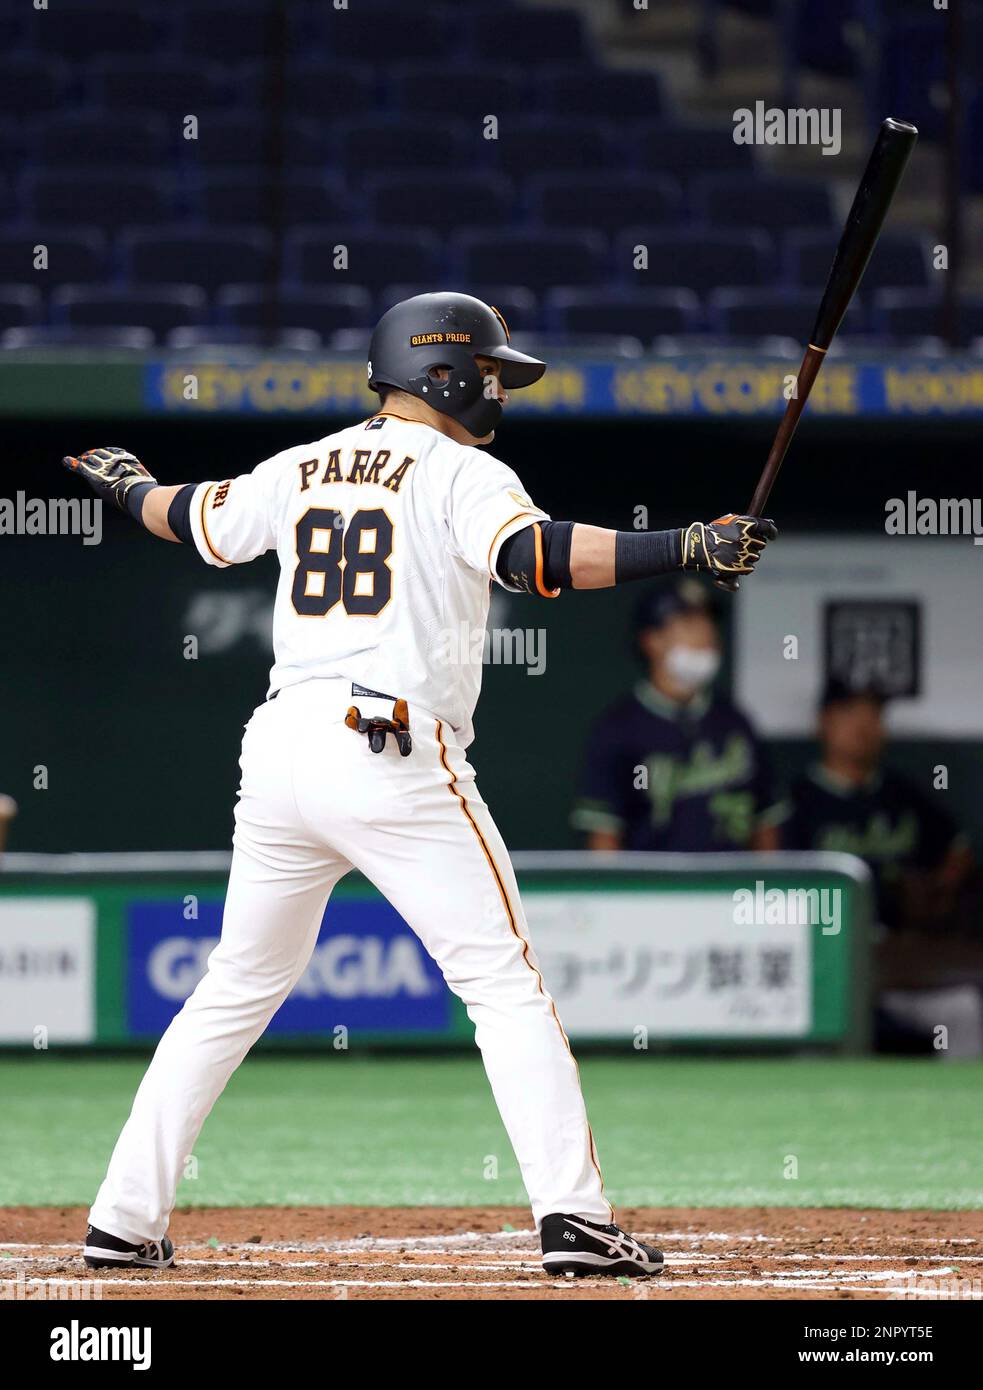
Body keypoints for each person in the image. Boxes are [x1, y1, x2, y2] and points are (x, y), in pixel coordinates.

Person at [64, 292, 776, 1279]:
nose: (497, 388)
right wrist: (685, 544)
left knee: (235, 983)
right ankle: (572, 1218)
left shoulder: (299, 464)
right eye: (487, 372)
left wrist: (126, 481)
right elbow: (538, 559)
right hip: (388, 743)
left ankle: (121, 1217)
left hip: (278, 750)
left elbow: (186, 517)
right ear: (437, 373)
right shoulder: (461, 470)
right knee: (502, 983)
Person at [782, 680, 981, 1055]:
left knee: (962, 1011)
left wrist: (937, 888)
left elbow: (959, 851)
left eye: (874, 715)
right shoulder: (797, 802)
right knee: (808, 1024)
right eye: (850, 713)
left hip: (901, 962)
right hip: (830, 960)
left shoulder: (901, 794)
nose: (864, 726)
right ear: (821, 723)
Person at [573, 580, 783, 852]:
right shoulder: (618, 729)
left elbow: (766, 825)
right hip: (655, 890)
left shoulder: (736, 723)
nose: (705, 635)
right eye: (688, 624)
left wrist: (764, 890)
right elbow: (604, 840)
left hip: (732, 887)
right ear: (652, 640)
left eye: (707, 623)